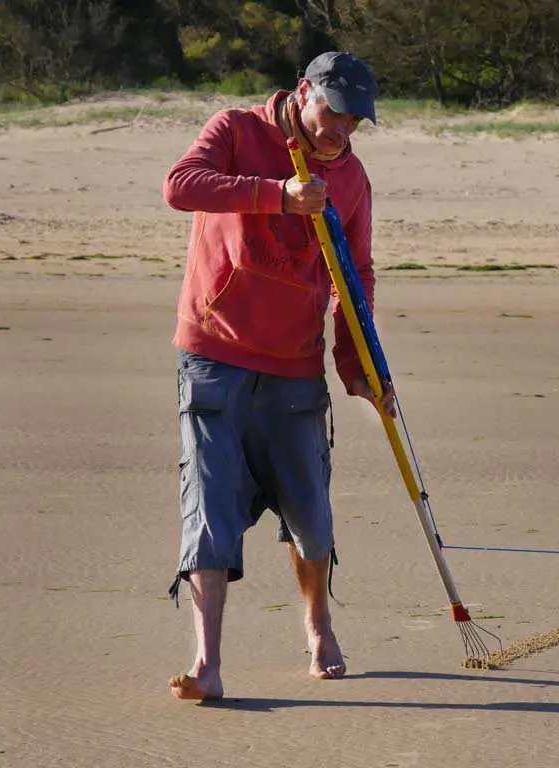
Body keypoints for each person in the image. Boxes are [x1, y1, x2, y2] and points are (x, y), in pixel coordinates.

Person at [162, 51, 394, 702]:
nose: (341, 130)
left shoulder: (350, 180)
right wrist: (277, 197)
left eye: (355, 121)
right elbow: (181, 185)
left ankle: (318, 626)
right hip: (213, 352)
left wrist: (358, 364)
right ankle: (207, 663)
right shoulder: (237, 130)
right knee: (209, 510)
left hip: (295, 363)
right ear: (303, 93)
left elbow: (357, 276)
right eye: (334, 112)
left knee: (311, 513)